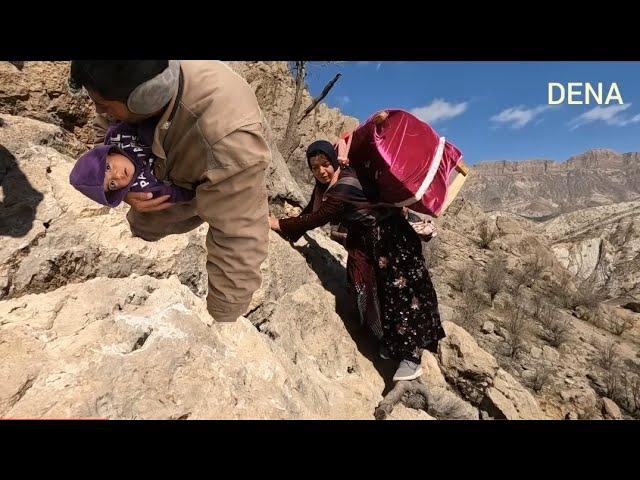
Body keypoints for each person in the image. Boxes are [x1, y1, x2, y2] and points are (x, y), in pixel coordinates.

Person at [69, 60, 270, 323]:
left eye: (104, 105)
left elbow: (240, 236)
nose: (98, 109)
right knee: (143, 226)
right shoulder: (130, 77)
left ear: (145, 98)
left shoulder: (229, 145)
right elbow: (104, 131)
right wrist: (124, 187)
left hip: (207, 163)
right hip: (175, 142)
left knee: (152, 222)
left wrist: (223, 318)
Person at [269, 140, 445, 381]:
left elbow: (317, 218)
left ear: (334, 161)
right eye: (314, 167)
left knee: (401, 298)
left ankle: (410, 358)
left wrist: (278, 224)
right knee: (366, 288)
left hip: (393, 243)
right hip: (369, 243)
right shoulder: (329, 184)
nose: (321, 171)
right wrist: (293, 228)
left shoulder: (343, 187)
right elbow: (310, 210)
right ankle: (389, 342)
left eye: (325, 164)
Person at [69, 121, 194, 207]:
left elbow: (138, 116)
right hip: (183, 162)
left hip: (172, 130)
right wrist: (194, 191)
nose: (117, 176)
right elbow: (173, 195)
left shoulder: (119, 136)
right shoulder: (142, 188)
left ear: (110, 153)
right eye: (112, 184)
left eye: (108, 167)